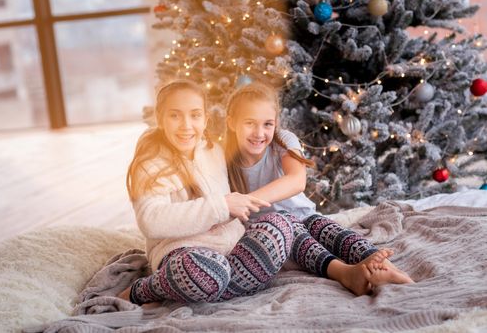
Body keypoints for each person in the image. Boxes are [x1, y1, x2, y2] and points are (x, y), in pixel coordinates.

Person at [224, 82, 414, 295]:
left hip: (305, 217)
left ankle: (385, 267)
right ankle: (346, 274)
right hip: (275, 234)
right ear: (232, 123)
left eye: (267, 124)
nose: (259, 133)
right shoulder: (224, 157)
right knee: (299, 236)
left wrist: (247, 200)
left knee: (329, 230)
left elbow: (297, 181)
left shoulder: (283, 141)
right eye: (250, 123)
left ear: (276, 123)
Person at [118, 79, 295, 305]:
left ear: (205, 119)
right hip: (184, 254)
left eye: (194, 115)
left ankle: (214, 285)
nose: (186, 125)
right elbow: (150, 220)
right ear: (160, 119)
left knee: (279, 227)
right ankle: (144, 290)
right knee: (205, 272)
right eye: (175, 116)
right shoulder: (151, 163)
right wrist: (221, 206)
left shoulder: (214, 151)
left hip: (230, 249)